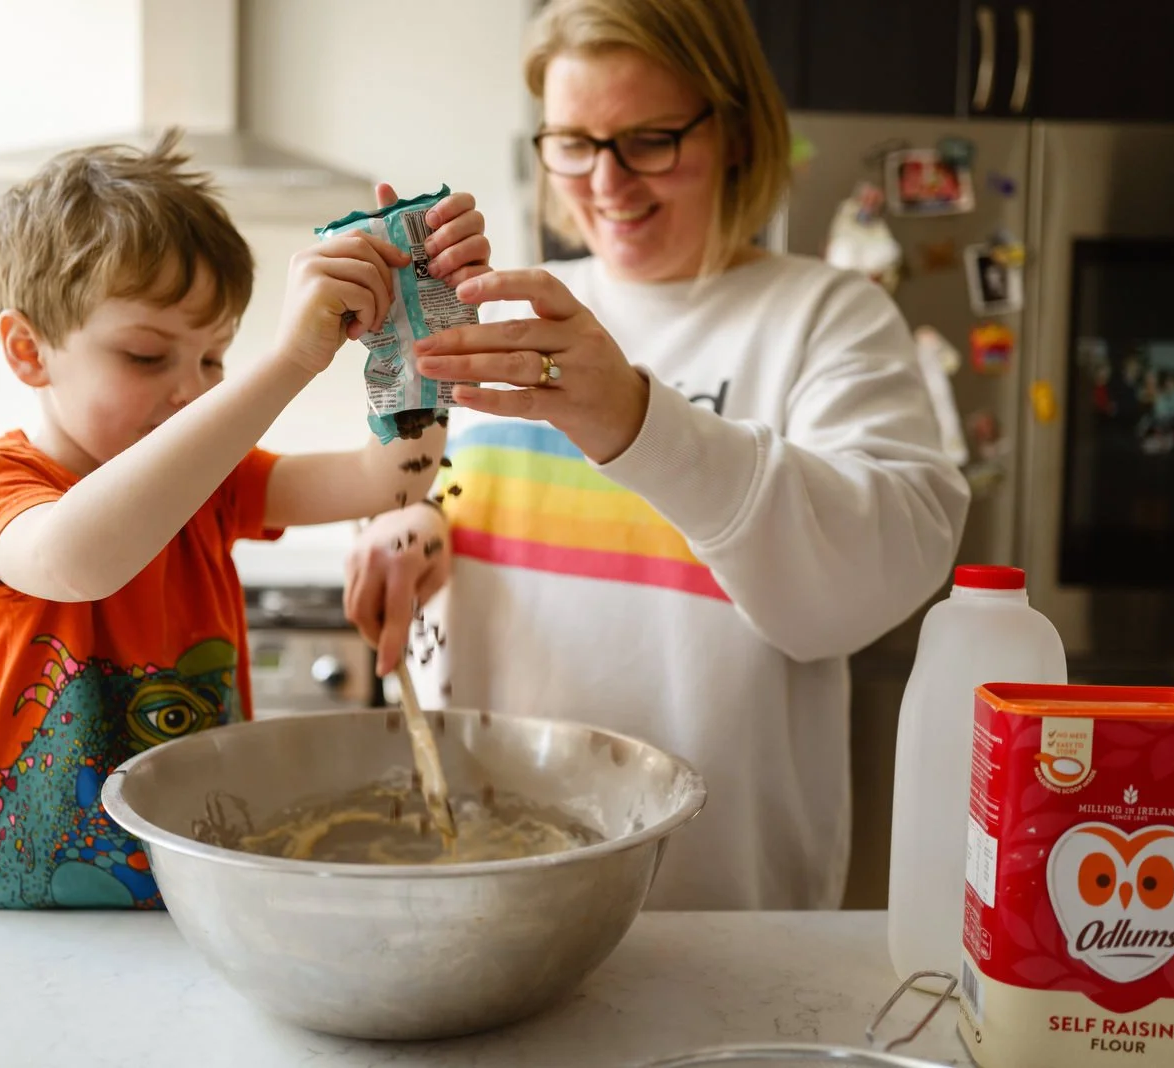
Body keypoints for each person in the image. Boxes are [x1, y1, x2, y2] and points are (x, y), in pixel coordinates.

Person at [344, 0, 970, 911]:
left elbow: (854, 596)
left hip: (721, 910)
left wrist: (638, 421)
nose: (606, 182)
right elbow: (458, 512)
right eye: (573, 141)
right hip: (487, 888)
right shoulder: (505, 312)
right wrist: (412, 536)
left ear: (737, 131)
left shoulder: (826, 317)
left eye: (649, 139)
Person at [0, 131, 486, 908]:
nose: (192, 391)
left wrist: (421, 328)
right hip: (17, 927)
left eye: (214, 358)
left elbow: (388, 478)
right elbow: (81, 559)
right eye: (148, 357)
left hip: (195, 904)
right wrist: (287, 362)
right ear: (29, 351)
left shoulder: (213, 483)